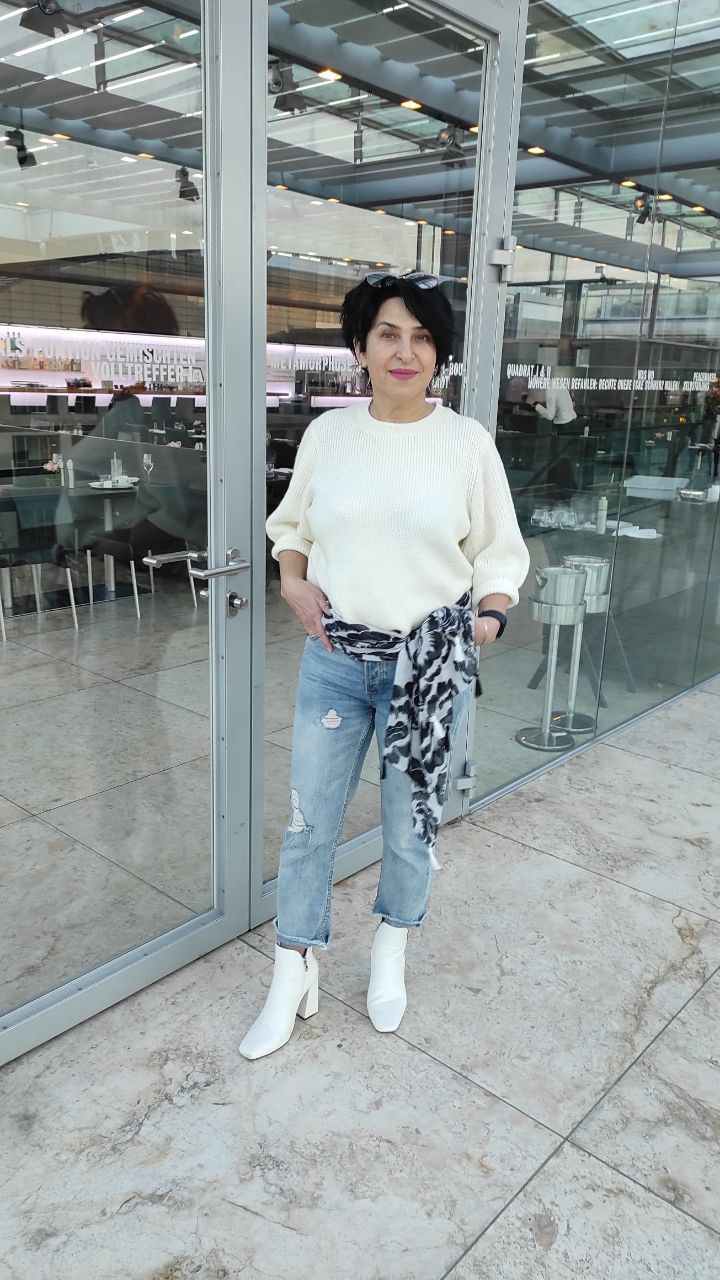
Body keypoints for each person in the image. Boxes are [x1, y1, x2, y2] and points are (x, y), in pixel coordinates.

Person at [239, 271, 530, 1061]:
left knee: (408, 830)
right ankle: (293, 969)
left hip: (429, 668)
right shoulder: (329, 436)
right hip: (336, 661)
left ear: (439, 353)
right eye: (389, 335)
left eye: (423, 337)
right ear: (360, 347)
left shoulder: (465, 442)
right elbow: (293, 526)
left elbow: (499, 551)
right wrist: (292, 580)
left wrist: (489, 617)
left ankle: (390, 952)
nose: (407, 352)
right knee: (308, 826)